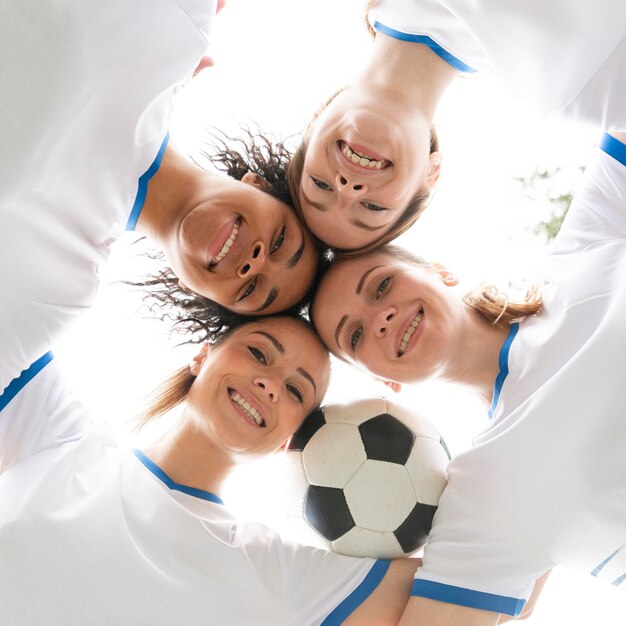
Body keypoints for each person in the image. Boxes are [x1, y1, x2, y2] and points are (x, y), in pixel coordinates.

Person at [311, 131, 626, 623]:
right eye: (354, 337)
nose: (380, 319)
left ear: (441, 271)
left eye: (382, 286)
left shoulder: (588, 243)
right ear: (383, 381)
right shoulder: (480, 503)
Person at [0, 313, 423, 625]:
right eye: (259, 353)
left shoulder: (281, 577)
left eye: (295, 390)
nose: (271, 384)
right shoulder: (53, 429)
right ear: (202, 356)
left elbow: (472, 572)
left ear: (288, 441)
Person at [0, 0, 319, 393]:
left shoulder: (57, 287)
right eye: (280, 240)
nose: (255, 262)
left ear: (195, 290)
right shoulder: (178, 29)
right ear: (258, 184)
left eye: (251, 290)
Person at [288, 0, 626, 251]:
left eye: (319, 185)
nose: (347, 189)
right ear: (431, 173)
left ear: (315, 120)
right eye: (373, 208)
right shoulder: (577, 88)